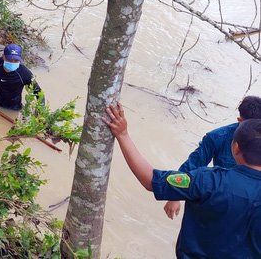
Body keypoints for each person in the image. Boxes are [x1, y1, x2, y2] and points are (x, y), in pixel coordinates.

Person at [103, 102, 261, 259]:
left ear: (236, 148)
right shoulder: (216, 142)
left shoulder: (207, 180)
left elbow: (151, 180)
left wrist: (123, 135)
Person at [164, 95, 261, 219]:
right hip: (223, 195)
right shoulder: (218, 137)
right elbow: (193, 164)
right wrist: (175, 195)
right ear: (240, 121)